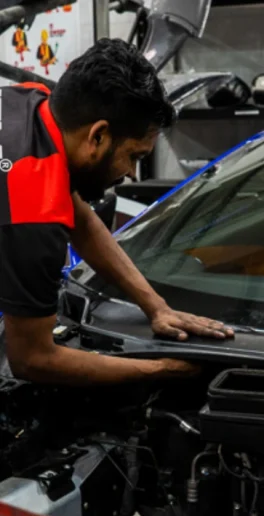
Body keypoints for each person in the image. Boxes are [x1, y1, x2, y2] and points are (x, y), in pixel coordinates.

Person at [0, 38, 234, 387]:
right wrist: (164, 371)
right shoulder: (32, 213)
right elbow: (32, 359)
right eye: (134, 157)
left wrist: (156, 307)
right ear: (98, 136)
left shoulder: (28, 101)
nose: (131, 175)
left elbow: (80, 219)